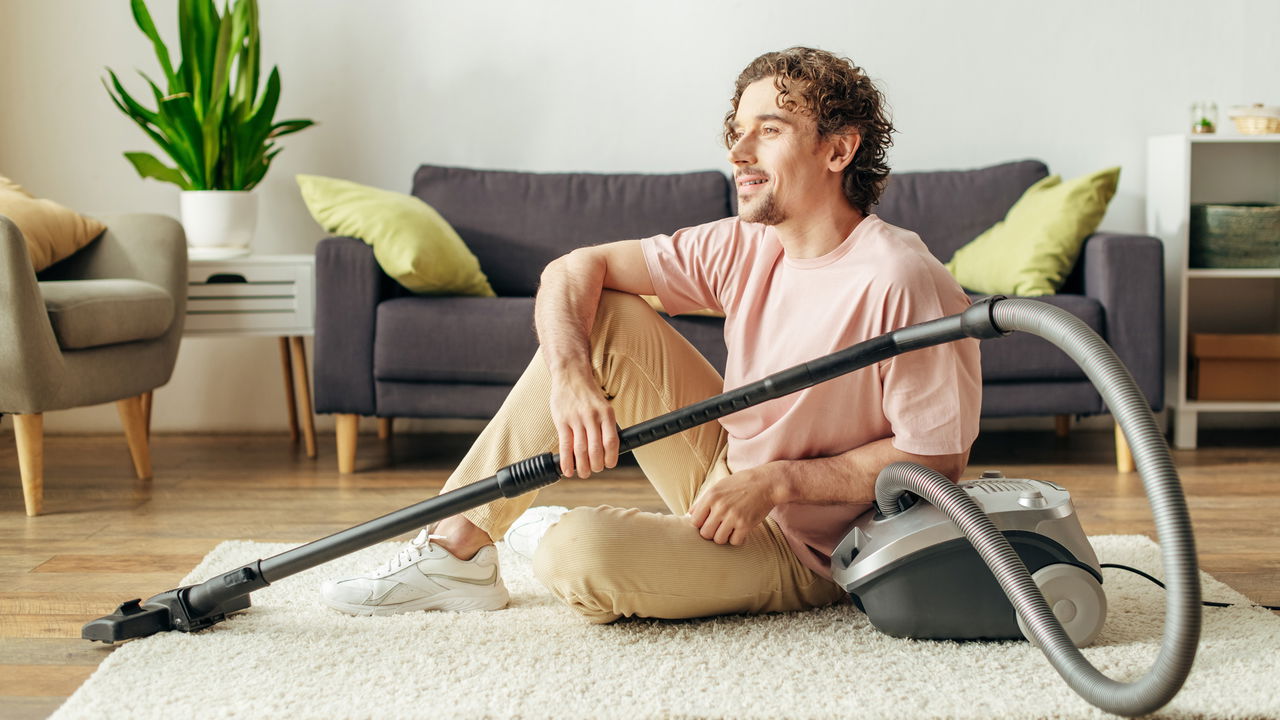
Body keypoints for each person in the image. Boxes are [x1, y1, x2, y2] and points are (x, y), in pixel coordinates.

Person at [320, 46, 981, 623]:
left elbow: (938, 463)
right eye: (736, 130)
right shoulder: (746, 244)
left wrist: (779, 482)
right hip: (725, 468)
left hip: (808, 548)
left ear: (839, 148)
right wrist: (572, 380)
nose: (737, 151)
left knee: (578, 554)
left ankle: (548, 530)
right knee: (599, 314)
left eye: (768, 131)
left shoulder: (902, 278)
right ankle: (453, 552)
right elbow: (574, 269)